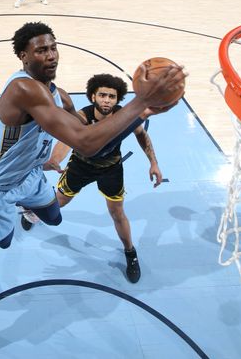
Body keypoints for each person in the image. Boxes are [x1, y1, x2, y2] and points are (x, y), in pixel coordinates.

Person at [0, 22, 186, 249]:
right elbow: (86, 143)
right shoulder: (24, 89)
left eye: (53, 48)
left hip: (28, 174)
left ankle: (22, 201)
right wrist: (141, 102)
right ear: (24, 56)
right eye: (41, 51)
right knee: (3, 241)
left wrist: (143, 113)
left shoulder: (60, 96)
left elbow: (90, 142)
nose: (51, 56)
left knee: (54, 217)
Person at [23, 74, 172, 283]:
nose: (106, 100)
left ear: (117, 99)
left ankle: (130, 253)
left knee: (117, 213)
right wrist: (56, 157)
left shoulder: (124, 116)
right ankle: (32, 213)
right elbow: (67, 138)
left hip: (111, 169)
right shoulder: (83, 117)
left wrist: (153, 163)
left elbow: (141, 134)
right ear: (93, 96)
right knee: (58, 203)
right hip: (80, 167)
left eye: (112, 96)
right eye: (102, 95)